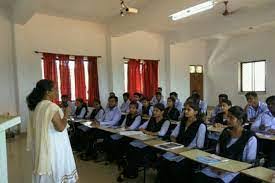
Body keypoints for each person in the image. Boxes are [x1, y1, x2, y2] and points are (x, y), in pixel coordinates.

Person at [26, 79, 78, 183]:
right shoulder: (51, 106)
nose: (57, 92)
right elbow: (60, 127)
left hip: (43, 143)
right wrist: (66, 114)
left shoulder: (37, 106)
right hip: (54, 145)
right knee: (56, 167)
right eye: (55, 89)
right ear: (47, 92)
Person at [195, 106, 257, 183]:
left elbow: (249, 163)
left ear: (240, 121)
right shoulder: (225, 132)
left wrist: (226, 168)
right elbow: (217, 153)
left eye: (231, 118)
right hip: (219, 165)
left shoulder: (250, 138)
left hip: (235, 170)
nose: (227, 120)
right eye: (227, 117)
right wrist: (215, 165)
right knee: (199, 176)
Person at [117, 103, 170, 182]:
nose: (154, 112)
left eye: (157, 111)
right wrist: (148, 132)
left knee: (137, 152)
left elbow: (161, 133)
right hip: (146, 139)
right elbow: (141, 127)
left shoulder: (166, 121)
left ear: (162, 112)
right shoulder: (151, 118)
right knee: (130, 147)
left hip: (155, 144)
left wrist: (147, 132)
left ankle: (126, 172)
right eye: (153, 110)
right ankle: (132, 170)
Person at [158, 100, 207, 183]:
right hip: (177, 148)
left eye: (188, 110)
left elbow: (199, 146)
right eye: (184, 109)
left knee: (175, 166)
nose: (185, 111)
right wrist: (176, 144)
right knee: (163, 161)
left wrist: (184, 150)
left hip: (190, 153)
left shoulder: (200, 125)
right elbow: (173, 135)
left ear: (195, 112)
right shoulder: (182, 122)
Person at [251, 96, 275, 167]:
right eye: (268, 104)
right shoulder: (263, 115)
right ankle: (254, 162)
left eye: (273, 104)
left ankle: (270, 165)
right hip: (263, 141)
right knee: (252, 138)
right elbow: (252, 128)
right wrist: (260, 128)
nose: (270, 106)